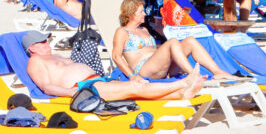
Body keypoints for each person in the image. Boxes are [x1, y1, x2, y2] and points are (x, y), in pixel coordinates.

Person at [24, 30, 204, 100]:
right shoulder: (35, 62)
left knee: (136, 91)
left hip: (97, 81)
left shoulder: (52, 55)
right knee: (135, 87)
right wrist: (72, 92)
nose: (47, 43)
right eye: (41, 42)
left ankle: (181, 94)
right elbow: (46, 87)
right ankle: (182, 84)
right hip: (84, 89)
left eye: (46, 40)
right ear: (32, 48)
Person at [111, 0, 238, 80]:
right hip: (143, 70)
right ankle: (193, 74)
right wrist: (132, 76)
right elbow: (116, 56)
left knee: (190, 41)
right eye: (141, 12)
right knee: (172, 42)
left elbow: (155, 52)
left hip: (160, 67)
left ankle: (217, 71)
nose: (144, 14)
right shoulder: (122, 32)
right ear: (130, 14)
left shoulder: (144, 29)